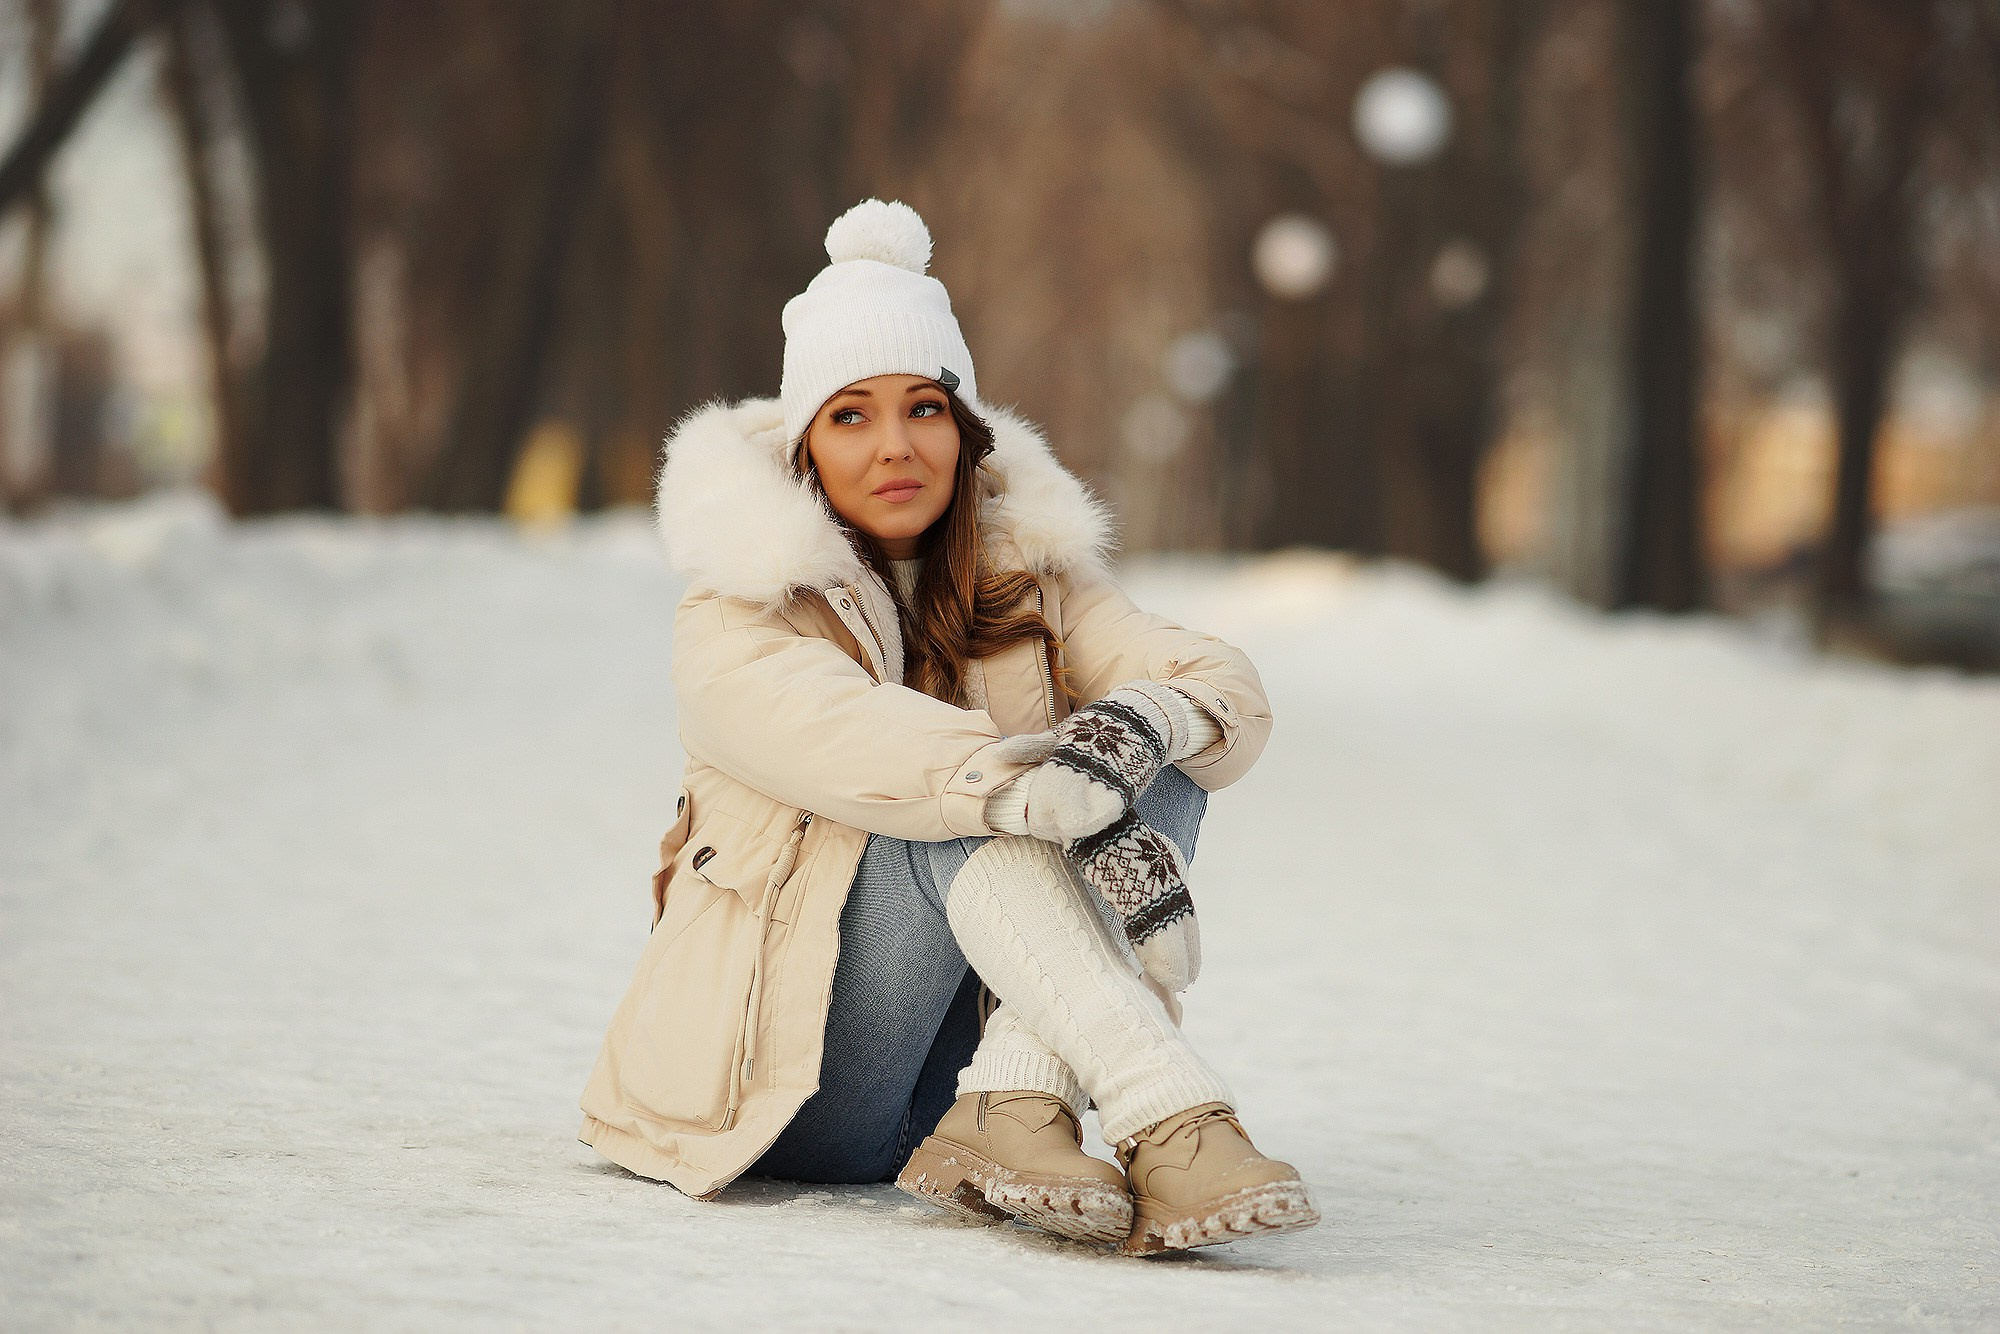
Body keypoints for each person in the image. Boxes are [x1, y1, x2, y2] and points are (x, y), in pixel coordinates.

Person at [578, 199, 1317, 1255]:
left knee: (1152, 757)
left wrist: (1147, 719)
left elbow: (1213, 681)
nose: (895, 446)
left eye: (924, 408)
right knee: (963, 799)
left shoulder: (1032, 578)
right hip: (785, 1090)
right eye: (850, 416)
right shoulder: (736, 609)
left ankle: (1013, 1103)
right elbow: (866, 739)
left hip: (947, 1077)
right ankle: (1170, 1106)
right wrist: (1046, 795)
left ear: (963, 429)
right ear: (802, 444)